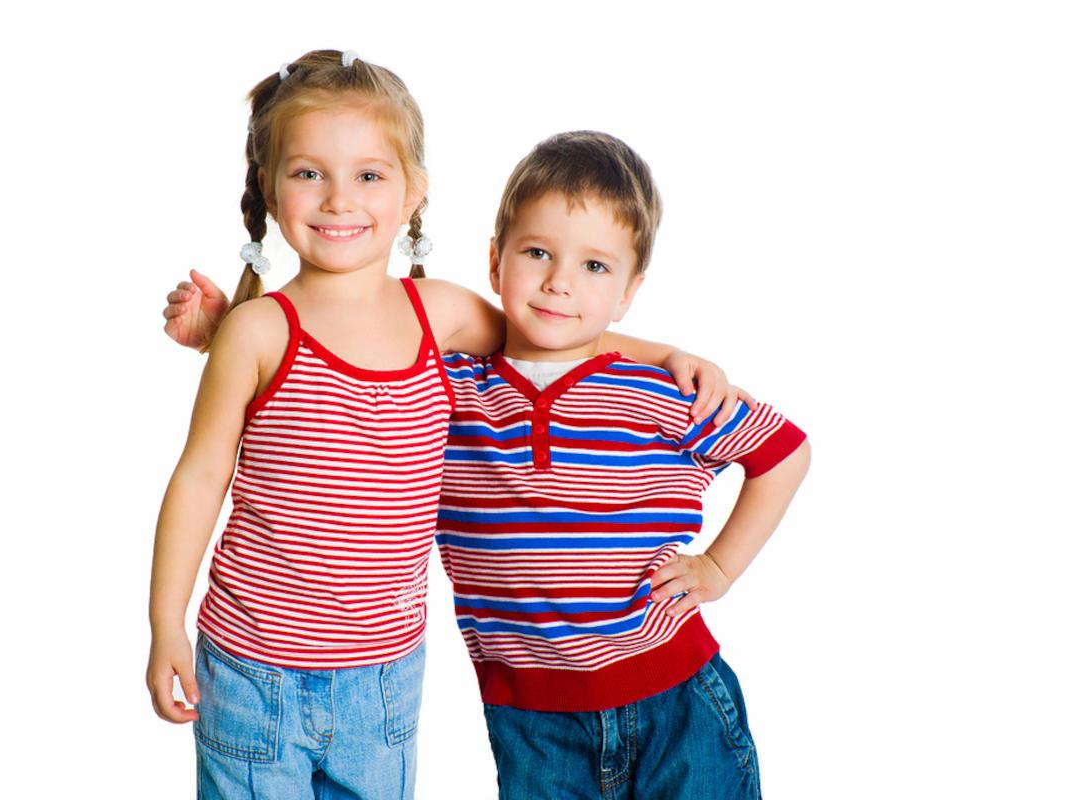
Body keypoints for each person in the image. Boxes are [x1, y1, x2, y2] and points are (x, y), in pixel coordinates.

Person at [148, 50, 748, 800]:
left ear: (413, 193)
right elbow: (200, 477)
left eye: (369, 175)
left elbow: (549, 334)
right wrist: (164, 623)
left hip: (384, 676)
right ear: (269, 187)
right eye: (308, 173)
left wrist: (665, 354)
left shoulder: (441, 316)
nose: (339, 200)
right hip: (251, 667)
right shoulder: (259, 331)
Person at [435, 131, 811, 799]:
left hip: (676, 701)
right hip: (532, 721)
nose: (559, 281)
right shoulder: (450, 386)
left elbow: (783, 452)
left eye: (595, 266)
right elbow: (360, 344)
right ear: (495, 261)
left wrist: (719, 567)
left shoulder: (659, 392)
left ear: (629, 292)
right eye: (537, 252)